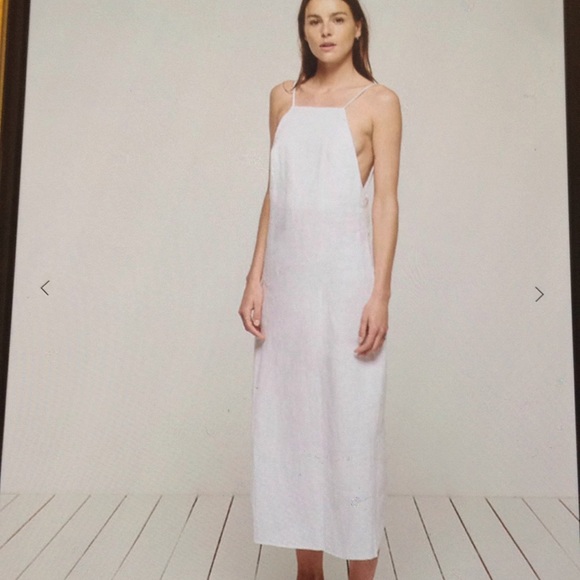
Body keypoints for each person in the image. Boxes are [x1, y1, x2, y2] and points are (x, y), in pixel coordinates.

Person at [239, 0, 401, 578]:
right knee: (292, 422)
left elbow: (385, 202)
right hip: (288, 287)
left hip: (346, 285)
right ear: (303, 31)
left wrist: (380, 294)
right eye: (314, 20)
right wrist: (255, 277)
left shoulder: (379, 102)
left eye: (337, 18)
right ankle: (308, 572)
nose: (325, 30)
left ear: (357, 27)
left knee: (351, 426)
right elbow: (276, 191)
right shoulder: (283, 97)